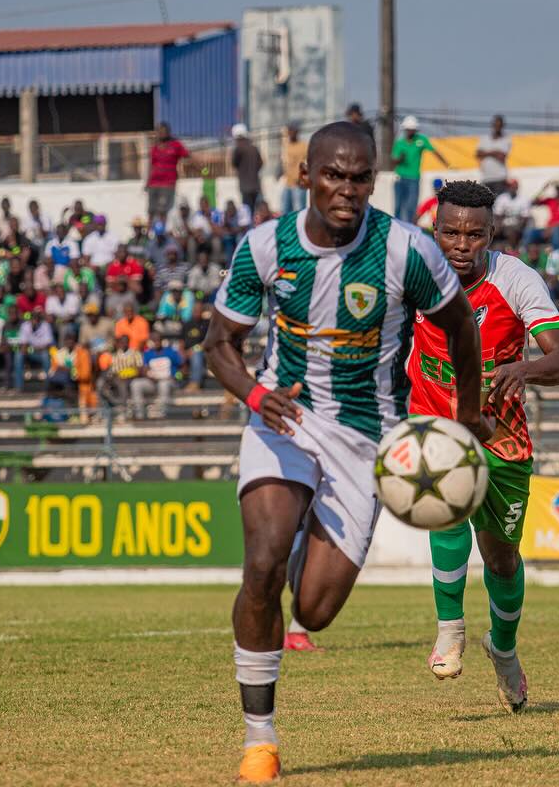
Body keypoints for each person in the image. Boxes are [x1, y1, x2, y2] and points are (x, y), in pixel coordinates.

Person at [203, 120, 485, 782]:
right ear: (306, 175)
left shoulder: (407, 251)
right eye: (334, 174)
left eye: (361, 177)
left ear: (374, 180)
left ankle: (305, 544)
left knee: (316, 613)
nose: (347, 190)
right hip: (285, 417)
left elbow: (461, 327)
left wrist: (465, 421)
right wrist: (252, 395)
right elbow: (219, 343)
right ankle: (260, 741)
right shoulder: (265, 246)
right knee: (263, 560)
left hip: (368, 441)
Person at [413, 180, 559, 711]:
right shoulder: (413, 274)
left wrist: (522, 367)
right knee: (448, 508)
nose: (461, 244)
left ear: (491, 234)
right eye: (450, 233)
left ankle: (503, 650)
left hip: (500, 434)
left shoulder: (515, 279)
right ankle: (450, 629)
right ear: (434, 231)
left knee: (501, 558)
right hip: (437, 422)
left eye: (474, 234)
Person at [391, 115, 448, 223]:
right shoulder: (399, 143)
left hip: (414, 178)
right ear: (405, 130)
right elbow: (393, 161)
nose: (411, 132)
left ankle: (409, 229)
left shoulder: (421, 140)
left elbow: (434, 151)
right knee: (398, 206)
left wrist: (446, 164)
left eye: (413, 130)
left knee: (411, 207)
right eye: (409, 130)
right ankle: (397, 227)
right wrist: (400, 159)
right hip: (400, 178)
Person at [147, 122, 189, 224]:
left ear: (168, 132)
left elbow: (188, 157)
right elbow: (150, 165)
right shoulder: (154, 147)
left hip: (168, 183)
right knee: (151, 210)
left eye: (163, 131)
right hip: (153, 183)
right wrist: (147, 182)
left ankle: (162, 231)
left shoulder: (175, 145)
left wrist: (204, 170)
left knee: (163, 210)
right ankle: (148, 234)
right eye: (159, 131)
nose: (161, 134)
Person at [476, 114, 512, 197]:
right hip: (486, 178)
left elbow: (502, 156)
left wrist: (486, 152)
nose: (497, 127)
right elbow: (478, 154)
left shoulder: (506, 139)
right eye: (496, 124)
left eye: (499, 125)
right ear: (492, 125)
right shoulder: (484, 139)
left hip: (499, 178)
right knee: (486, 205)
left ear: (503, 126)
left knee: (498, 204)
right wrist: (495, 152)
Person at [231, 123, 265, 212]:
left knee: (247, 211)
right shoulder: (254, 148)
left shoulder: (238, 150)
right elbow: (261, 163)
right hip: (256, 185)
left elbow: (234, 163)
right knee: (256, 211)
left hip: (245, 187)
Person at [280, 123, 307, 214]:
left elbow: (308, 163)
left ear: (297, 132)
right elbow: (284, 162)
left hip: (299, 183)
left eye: (293, 131)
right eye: (289, 131)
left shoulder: (303, 145)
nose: (291, 133)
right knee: (285, 211)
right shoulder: (286, 146)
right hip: (288, 183)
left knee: (299, 211)